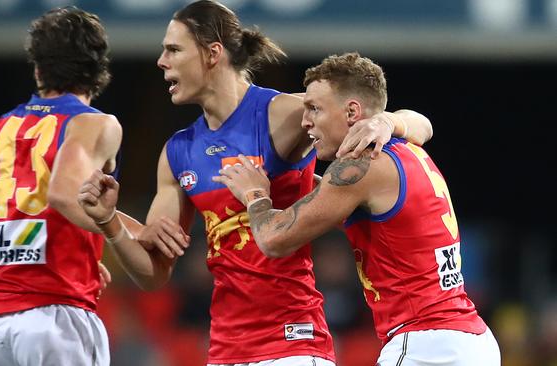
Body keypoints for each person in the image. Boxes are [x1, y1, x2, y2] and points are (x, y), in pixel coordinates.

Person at [79, 1, 432, 365]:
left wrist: (388, 124)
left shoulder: (283, 114)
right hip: (224, 349)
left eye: (173, 49)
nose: (161, 61)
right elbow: (154, 274)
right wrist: (109, 221)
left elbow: (418, 124)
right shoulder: (177, 153)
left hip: (293, 344)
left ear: (212, 53)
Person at [213, 52, 501, 365]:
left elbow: (273, 239)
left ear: (352, 111)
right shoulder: (407, 148)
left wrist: (255, 195)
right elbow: (423, 124)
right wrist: (388, 120)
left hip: (428, 346)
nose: (305, 120)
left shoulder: (359, 166)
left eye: (315, 108)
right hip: (468, 339)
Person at [0, 7, 188, 365]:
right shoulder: (94, 124)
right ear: (98, 68)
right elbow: (62, 193)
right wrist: (129, 233)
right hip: (55, 319)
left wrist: (42, 261)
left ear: (38, 67)